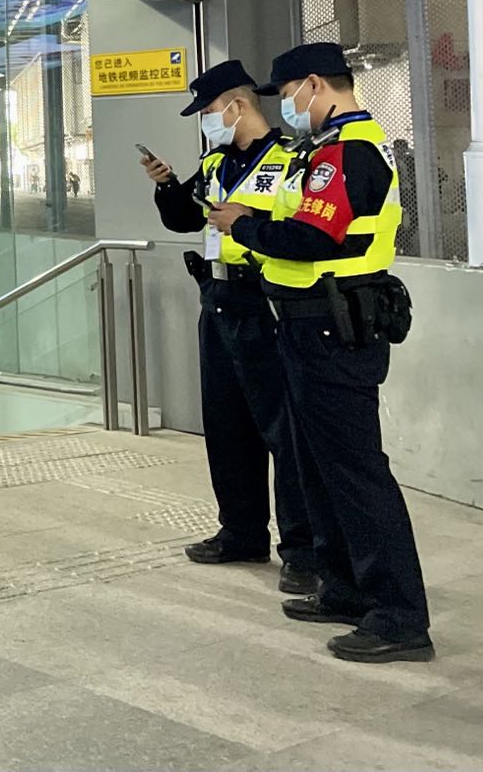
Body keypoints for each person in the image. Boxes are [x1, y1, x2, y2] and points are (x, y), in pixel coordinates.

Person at [216, 42, 431, 665]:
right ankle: (345, 589)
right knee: (317, 466)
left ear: (315, 85)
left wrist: (242, 225)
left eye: (288, 96)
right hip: (307, 327)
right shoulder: (324, 149)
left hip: (333, 331)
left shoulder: (346, 152)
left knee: (356, 473)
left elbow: (312, 237)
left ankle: (399, 617)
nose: (287, 107)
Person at [143, 60, 316, 595]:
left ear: (238, 106)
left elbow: (303, 228)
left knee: (282, 429)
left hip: (266, 302)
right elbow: (185, 219)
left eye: (210, 111)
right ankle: (241, 532)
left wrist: (248, 221)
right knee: (226, 423)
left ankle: (303, 551)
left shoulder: (290, 160)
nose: (206, 122)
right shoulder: (215, 162)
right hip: (218, 300)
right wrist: (168, 186)